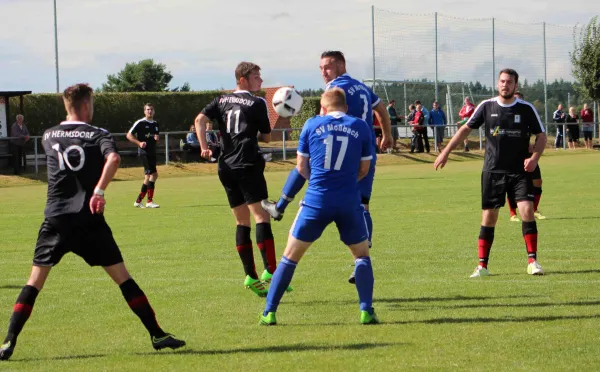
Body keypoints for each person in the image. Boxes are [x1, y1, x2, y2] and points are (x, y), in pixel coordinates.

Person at [0, 84, 185, 361]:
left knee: (34, 282)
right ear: (86, 105)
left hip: (56, 219)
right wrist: (98, 191)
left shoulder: (48, 136)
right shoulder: (99, 134)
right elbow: (114, 157)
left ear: (67, 105)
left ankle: (8, 342)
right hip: (89, 219)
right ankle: (157, 334)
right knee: (123, 278)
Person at [261, 51, 392, 268]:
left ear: (341, 65)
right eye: (321, 68)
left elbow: (327, 116)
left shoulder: (334, 88)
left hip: (342, 145)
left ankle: (281, 206)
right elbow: (380, 108)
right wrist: (387, 134)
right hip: (364, 150)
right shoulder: (362, 87)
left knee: (306, 164)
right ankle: (361, 260)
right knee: (363, 205)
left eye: (327, 67)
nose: (323, 72)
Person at [259, 88, 378, 326]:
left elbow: (301, 167)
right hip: (348, 201)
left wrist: (321, 183)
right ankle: (366, 311)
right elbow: (364, 170)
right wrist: (344, 182)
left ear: (323, 107)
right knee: (362, 257)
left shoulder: (312, 124)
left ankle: (269, 313)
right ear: (345, 107)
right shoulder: (360, 126)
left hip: (316, 200)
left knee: (290, 258)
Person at [434, 68, 547, 277]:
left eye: (510, 82)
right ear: (498, 84)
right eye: (502, 81)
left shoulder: (526, 108)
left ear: (516, 86)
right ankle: (482, 266)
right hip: (493, 171)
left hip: (519, 171)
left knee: (527, 211)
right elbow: (465, 129)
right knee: (489, 217)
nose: (505, 85)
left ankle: (533, 262)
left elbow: (541, 135)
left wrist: (534, 158)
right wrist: (445, 152)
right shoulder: (487, 106)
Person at [194, 61, 287, 297]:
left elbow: (199, 120)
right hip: (247, 163)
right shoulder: (258, 102)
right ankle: (271, 271)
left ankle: (250, 275)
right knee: (261, 216)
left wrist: (204, 147)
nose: (261, 81)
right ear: (242, 79)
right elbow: (266, 138)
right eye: (256, 76)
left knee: (241, 222)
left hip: (226, 167)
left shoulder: (220, 100)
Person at [507, 91, 546, 221]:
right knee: (511, 184)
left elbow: (540, 134)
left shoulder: (528, 115)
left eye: (520, 100)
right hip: (511, 155)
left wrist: (534, 146)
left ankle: (534, 209)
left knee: (537, 182)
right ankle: (513, 213)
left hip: (528, 156)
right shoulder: (506, 116)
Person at [127, 103, 160, 208]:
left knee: (148, 176)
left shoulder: (155, 124)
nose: (149, 111)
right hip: (144, 152)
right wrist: (139, 143)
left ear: (154, 111)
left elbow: (155, 138)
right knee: (153, 175)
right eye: (147, 109)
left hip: (152, 152)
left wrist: (156, 139)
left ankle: (138, 201)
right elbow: (128, 135)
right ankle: (149, 201)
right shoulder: (140, 123)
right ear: (144, 111)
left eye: (151, 109)